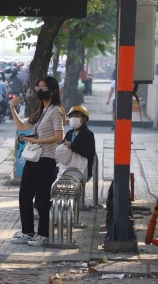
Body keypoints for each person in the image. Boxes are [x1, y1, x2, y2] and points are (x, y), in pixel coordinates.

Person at [10, 76, 64, 247]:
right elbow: (22, 127)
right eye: (38, 87)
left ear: (53, 91)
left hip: (46, 159)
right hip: (33, 159)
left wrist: (37, 141)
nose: (40, 90)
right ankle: (27, 231)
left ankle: (43, 234)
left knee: (41, 199)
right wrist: (13, 108)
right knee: (24, 195)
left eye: (44, 87)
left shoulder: (55, 110)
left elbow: (59, 136)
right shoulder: (41, 111)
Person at [63, 105, 96, 182]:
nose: (74, 118)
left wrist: (72, 146)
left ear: (84, 119)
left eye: (77, 116)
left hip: (82, 170)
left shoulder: (88, 134)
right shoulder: (69, 133)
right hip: (67, 167)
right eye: (72, 116)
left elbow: (88, 152)